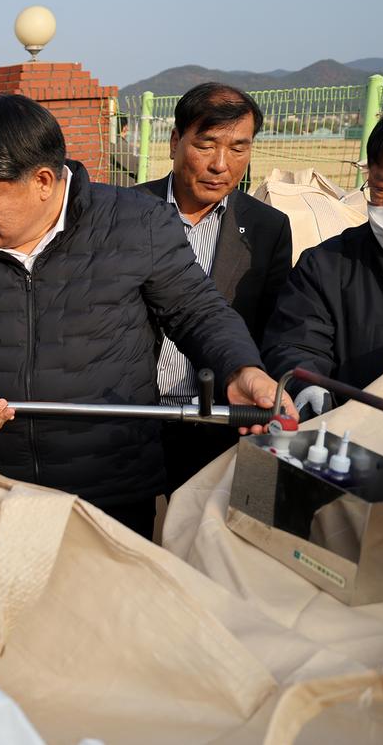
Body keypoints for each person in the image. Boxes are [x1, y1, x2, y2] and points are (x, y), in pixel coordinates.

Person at [0, 94, 292, 540]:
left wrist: (239, 367)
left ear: (43, 182)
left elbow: (197, 310)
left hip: (110, 486)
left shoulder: (135, 222)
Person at [136, 83, 293, 494]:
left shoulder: (268, 228)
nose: (221, 164)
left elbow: (270, 325)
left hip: (221, 420)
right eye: (206, 145)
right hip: (134, 416)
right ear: (175, 142)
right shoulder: (125, 212)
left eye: (239, 148)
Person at [263, 97, 383, 400]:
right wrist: (306, 387)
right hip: (348, 435)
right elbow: (296, 345)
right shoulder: (327, 265)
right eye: (381, 190)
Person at [110, 116, 140, 186]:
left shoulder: (106, 147)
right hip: (128, 191)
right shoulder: (133, 150)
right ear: (125, 128)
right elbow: (140, 174)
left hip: (108, 191)